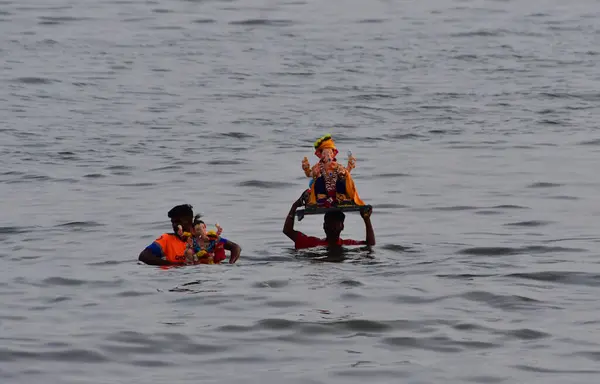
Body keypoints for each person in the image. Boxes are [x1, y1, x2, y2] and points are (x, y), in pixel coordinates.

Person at [138, 204, 241, 266]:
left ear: (189, 221)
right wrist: (173, 265)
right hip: (178, 275)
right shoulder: (166, 239)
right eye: (172, 222)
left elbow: (235, 248)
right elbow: (144, 256)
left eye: (178, 222)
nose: (175, 225)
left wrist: (230, 265)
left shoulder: (208, 238)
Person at [283, 192, 375, 249]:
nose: (332, 226)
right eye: (330, 223)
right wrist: (294, 206)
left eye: (335, 223)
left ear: (342, 226)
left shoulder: (348, 244)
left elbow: (370, 245)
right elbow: (287, 231)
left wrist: (367, 220)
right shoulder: (314, 243)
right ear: (324, 226)